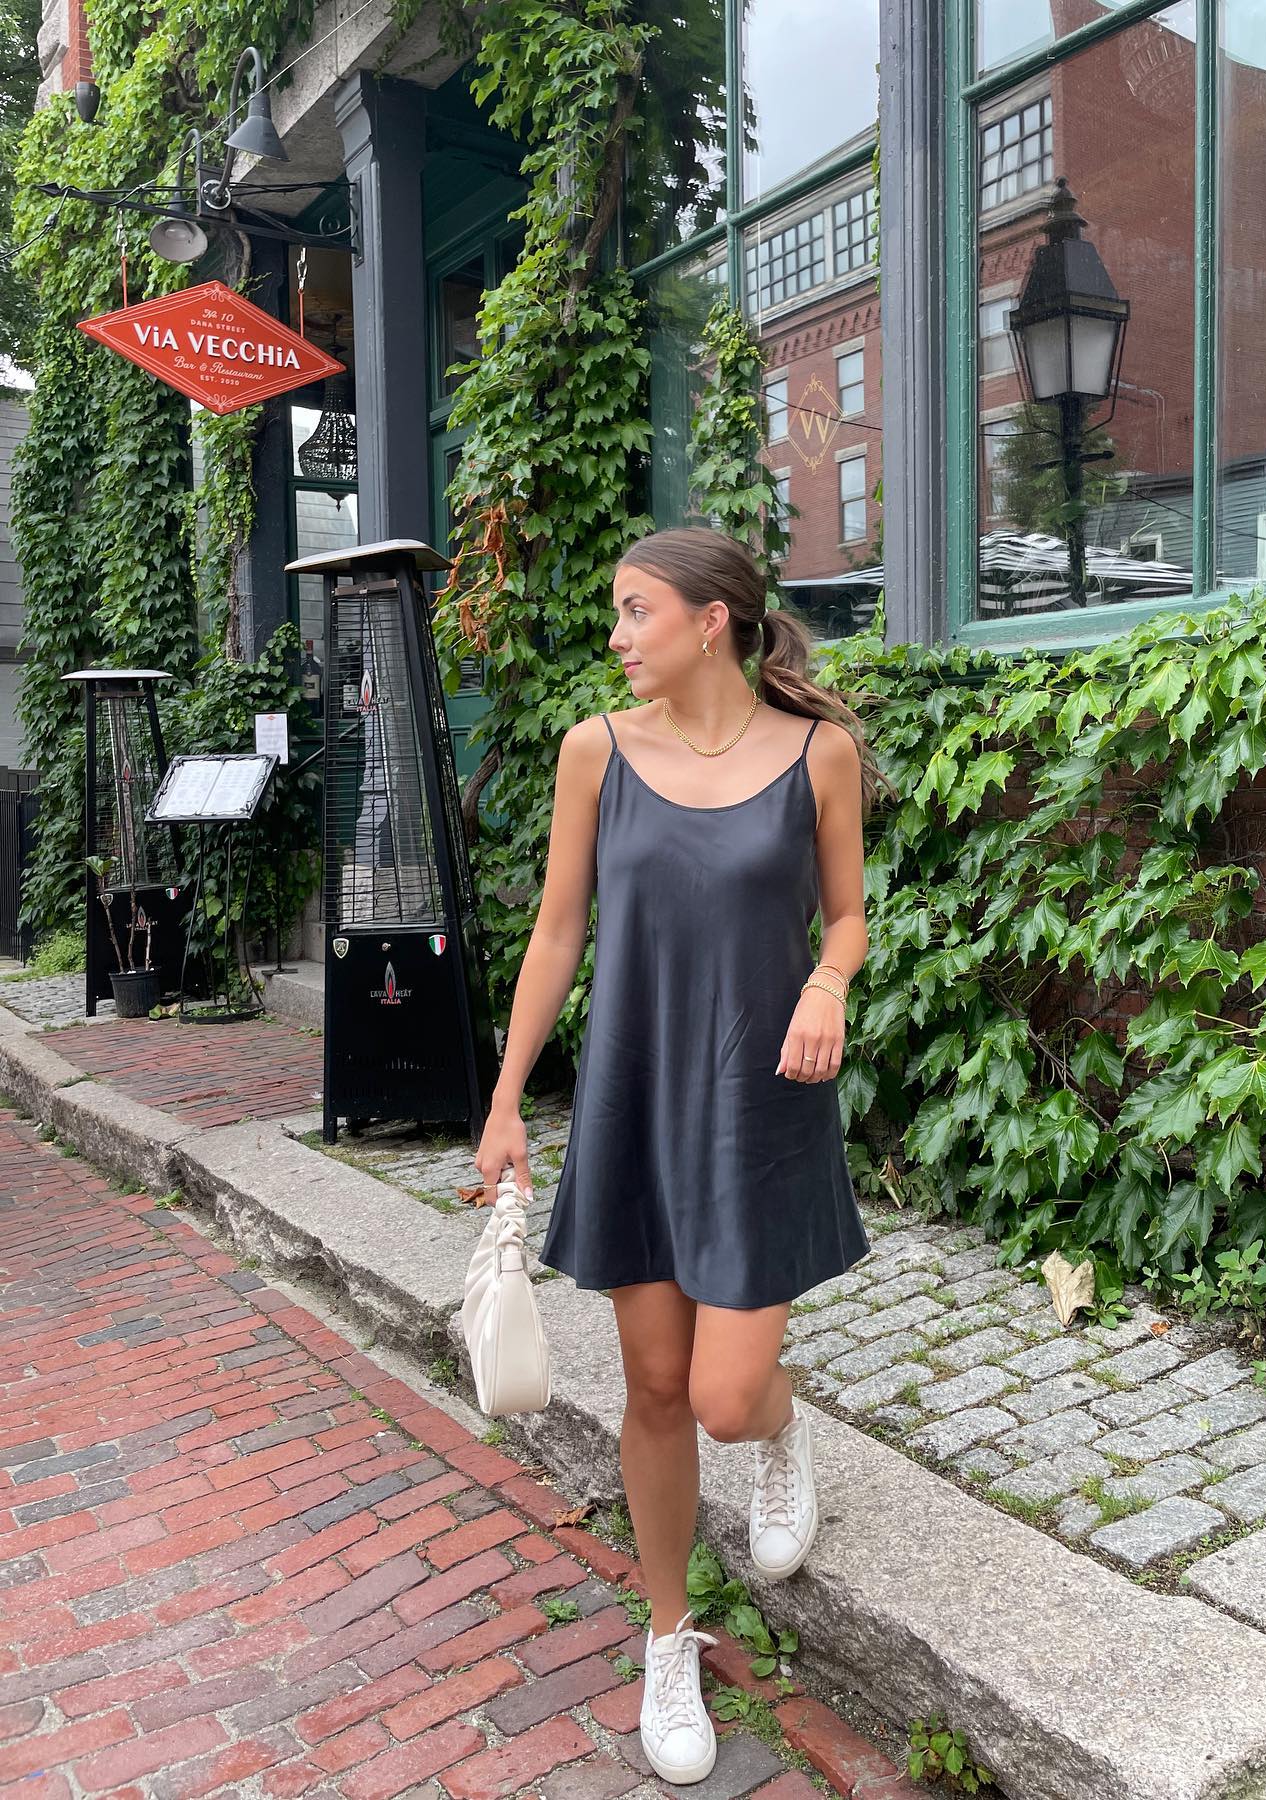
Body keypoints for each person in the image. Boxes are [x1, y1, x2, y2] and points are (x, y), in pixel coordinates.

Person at [471, 524, 890, 1785]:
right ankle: (667, 1636)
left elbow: (852, 914)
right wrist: (502, 1105)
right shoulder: (595, 750)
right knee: (653, 1389)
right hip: (635, 1098)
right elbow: (556, 935)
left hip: (760, 1103)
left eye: (635, 611)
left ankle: (779, 1431)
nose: (617, 636)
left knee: (720, 1393)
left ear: (713, 619)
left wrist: (828, 979)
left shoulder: (822, 754)